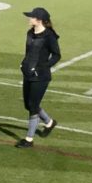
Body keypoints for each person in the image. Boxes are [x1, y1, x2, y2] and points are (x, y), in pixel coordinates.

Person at [16, 8, 61, 148]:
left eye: (31, 17)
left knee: (33, 106)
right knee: (28, 104)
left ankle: (29, 139)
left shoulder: (49, 36)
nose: (29, 19)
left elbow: (56, 55)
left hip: (41, 77)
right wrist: (24, 63)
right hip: (28, 73)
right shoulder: (30, 33)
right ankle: (49, 122)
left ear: (39, 20)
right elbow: (29, 52)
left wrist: (44, 66)